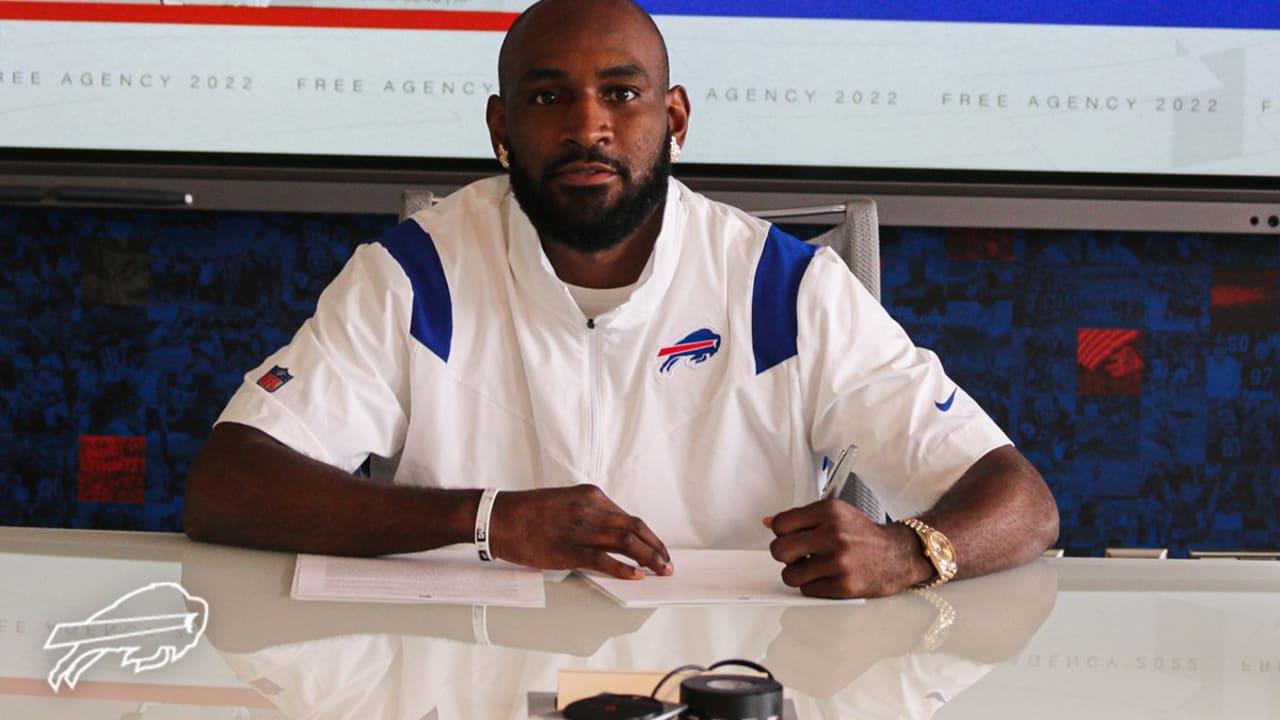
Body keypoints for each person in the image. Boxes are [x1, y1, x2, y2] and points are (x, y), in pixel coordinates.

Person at [185, 0, 1058, 598]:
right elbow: (230, 485)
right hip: (464, 672)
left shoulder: (781, 285)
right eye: (547, 96)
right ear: (500, 127)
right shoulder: (418, 273)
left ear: (674, 117)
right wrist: (488, 520)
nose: (587, 125)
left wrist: (910, 551)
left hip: (729, 677)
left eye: (621, 93)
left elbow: (1020, 502)